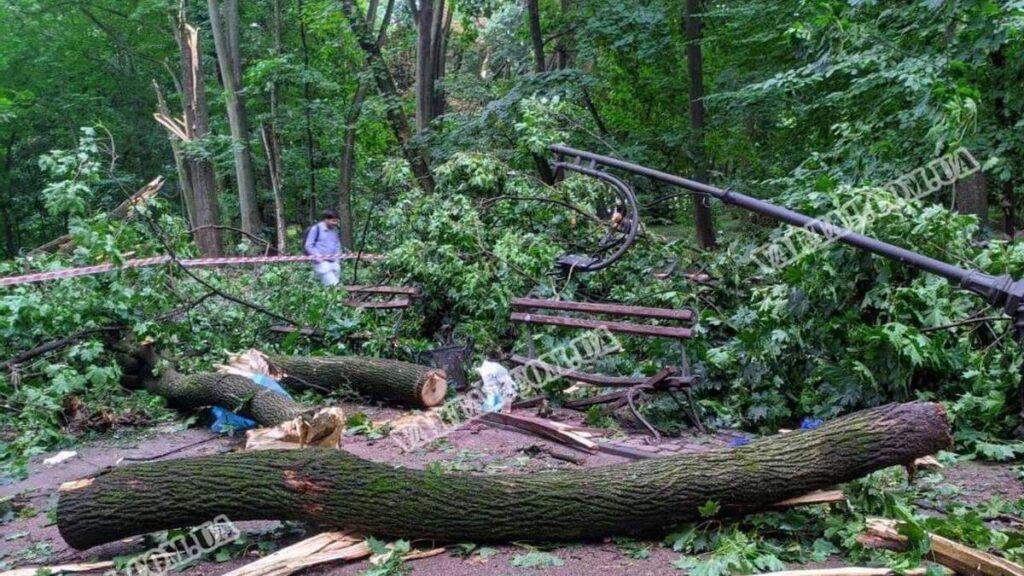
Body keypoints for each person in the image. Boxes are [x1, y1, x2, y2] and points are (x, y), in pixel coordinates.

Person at [304, 209, 344, 286]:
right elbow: (308, 245)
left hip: (334, 263)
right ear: (326, 220)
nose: (335, 223)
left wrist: (337, 261)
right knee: (334, 286)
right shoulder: (316, 229)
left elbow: (337, 245)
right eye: (334, 221)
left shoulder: (335, 230)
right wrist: (319, 259)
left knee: (332, 290)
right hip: (322, 264)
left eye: (337, 221)